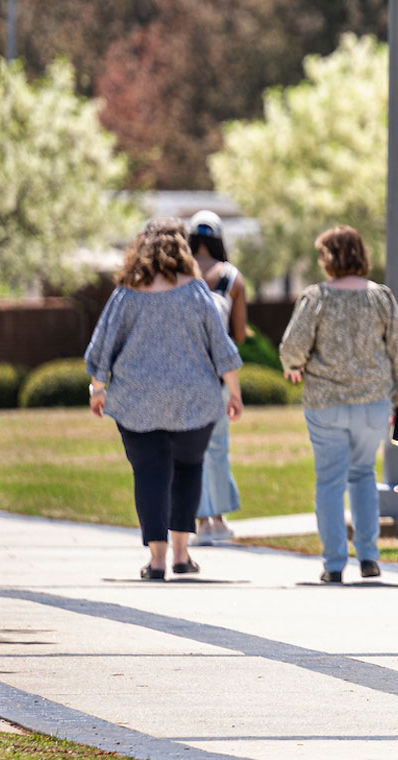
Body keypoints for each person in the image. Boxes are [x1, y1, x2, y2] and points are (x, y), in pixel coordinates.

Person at [85, 218, 244, 580]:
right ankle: (181, 554)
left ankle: (156, 560)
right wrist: (233, 393)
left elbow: (102, 345)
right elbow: (221, 347)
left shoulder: (126, 291)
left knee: (149, 473)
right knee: (188, 469)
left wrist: (97, 389)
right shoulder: (197, 291)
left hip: (137, 399)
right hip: (194, 399)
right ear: (181, 248)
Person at [279, 225, 398, 584]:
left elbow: (292, 348)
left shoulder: (316, 297)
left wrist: (295, 365)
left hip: (326, 403)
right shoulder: (381, 297)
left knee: (329, 482)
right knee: (363, 475)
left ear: (329, 259)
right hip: (373, 404)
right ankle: (369, 556)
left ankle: (335, 562)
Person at [186, 210, 249, 545]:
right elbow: (237, 336)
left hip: (182, 378)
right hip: (219, 378)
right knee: (218, 447)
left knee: (189, 450)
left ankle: (196, 521)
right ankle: (218, 521)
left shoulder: (180, 273)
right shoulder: (232, 279)